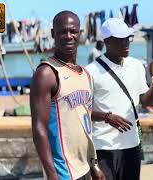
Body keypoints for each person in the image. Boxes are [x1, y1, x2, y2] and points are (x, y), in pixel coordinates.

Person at [30, 11, 105, 180]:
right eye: (62, 32)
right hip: (63, 172)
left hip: (84, 167)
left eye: (73, 31)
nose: (68, 36)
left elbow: (84, 122)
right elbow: (38, 128)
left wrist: (94, 166)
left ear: (80, 33)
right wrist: (51, 174)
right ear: (52, 34)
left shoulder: (85, 74)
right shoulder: (46, 74)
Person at [86, 18, 153, 180]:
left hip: (132, 145)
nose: (126, 43)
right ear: (107, 41)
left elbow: (145, 102)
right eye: (120, 39)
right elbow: (82, 111)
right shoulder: (91, 71)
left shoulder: (136, 66)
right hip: (103, 147)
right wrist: (107, 117)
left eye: (128, 38)